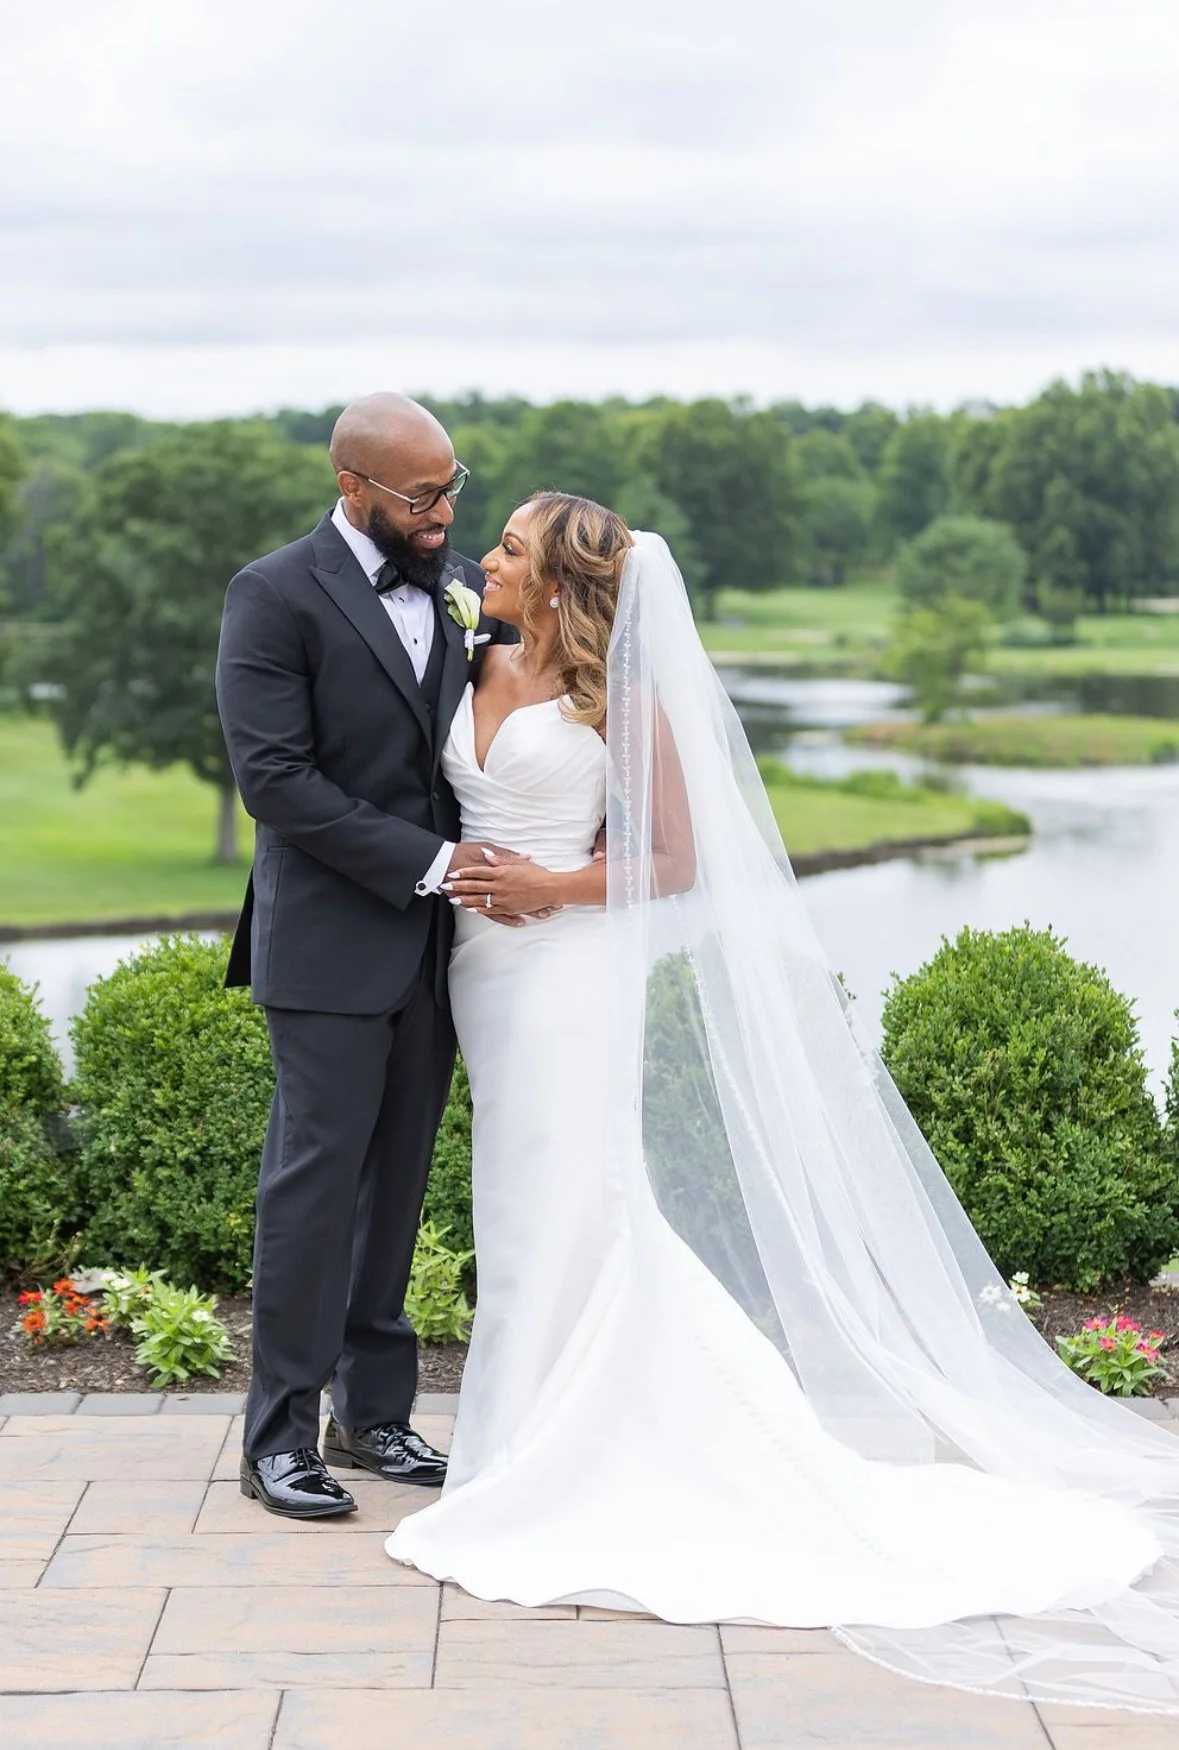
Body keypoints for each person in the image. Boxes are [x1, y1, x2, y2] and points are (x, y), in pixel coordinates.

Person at [386, 492, 1179, 1716]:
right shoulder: (469, 656)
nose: (483, 556)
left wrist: (547, 880)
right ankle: (519, 1445)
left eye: (507, 548)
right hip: (478, 976)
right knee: (518, 1205)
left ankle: (535, 1461)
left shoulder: (620, 701)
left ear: (557, 584)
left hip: (566, 974)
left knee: (569, 1204)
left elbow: (676, 863)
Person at [215, 393, 524, 1520]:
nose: (444, 513)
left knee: (395, 1187)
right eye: (422, 495)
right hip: (331, 948)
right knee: (311, 1193)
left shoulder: (461, 592)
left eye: (453, 487)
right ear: (354, 487)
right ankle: (277, 1438)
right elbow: (277, 781)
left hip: (440, 954)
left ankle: (374, 1416)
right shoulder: (271, 595)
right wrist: (436, 863)